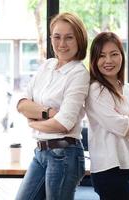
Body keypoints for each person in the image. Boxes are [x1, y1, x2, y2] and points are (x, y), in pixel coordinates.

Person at [15, 12, 89, 200]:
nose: (62, 43)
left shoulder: (79, 73)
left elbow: (64, 124)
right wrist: (48, 112)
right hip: (40, 152)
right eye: (57, 37)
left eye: (69, 37)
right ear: (51, 39)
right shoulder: (47, 66)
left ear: (79, 39)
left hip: (64, 154)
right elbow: (22, 104)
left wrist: (33, 122)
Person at [85, 32, 129, 200]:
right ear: (94, 60)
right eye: (102, 56)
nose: (108, 61)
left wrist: (128, 123)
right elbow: (121, 127)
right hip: (107, 168)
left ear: (121, 57)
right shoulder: (95, 90)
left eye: (114, 54)